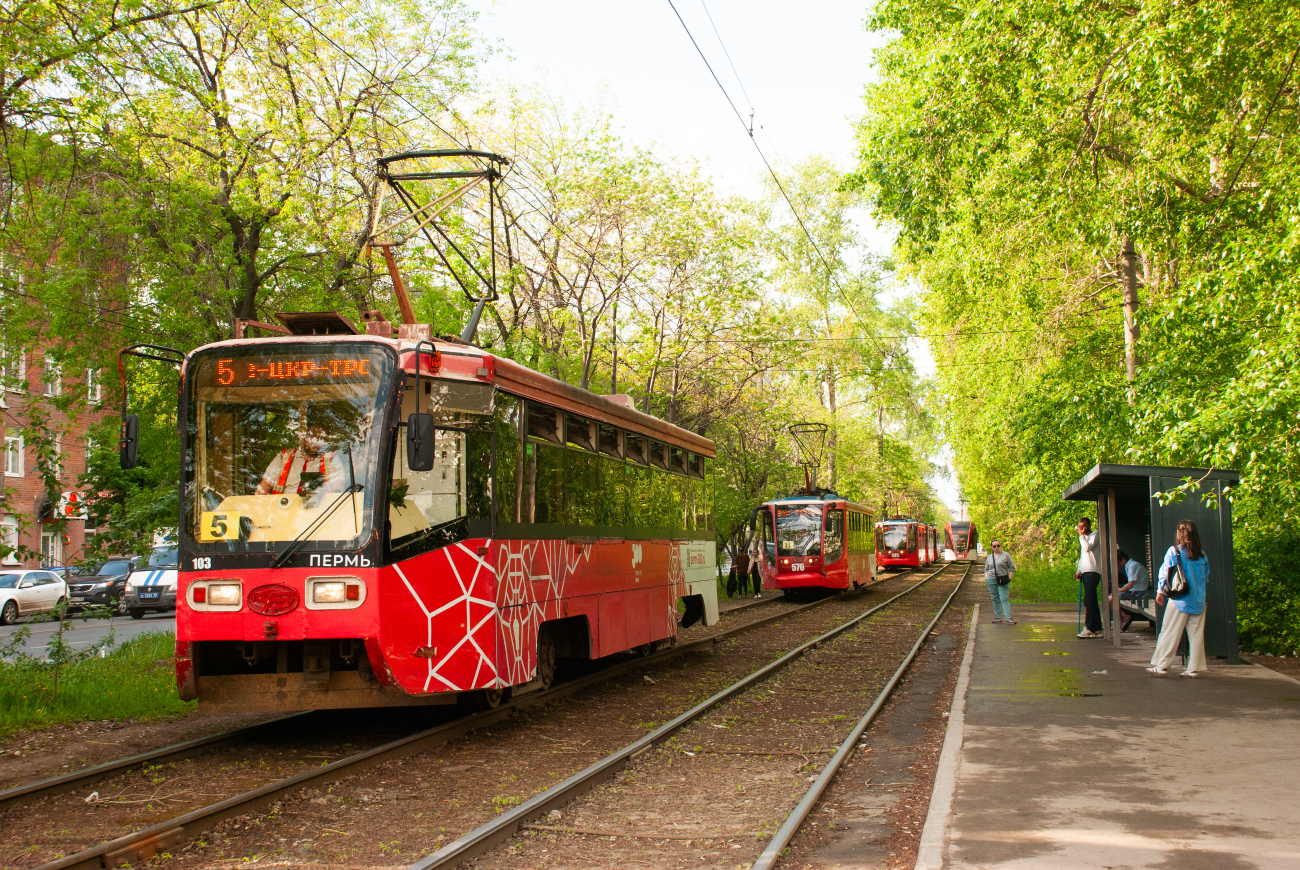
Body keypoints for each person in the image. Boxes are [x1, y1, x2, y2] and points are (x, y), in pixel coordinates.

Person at [1148, 520, 1210, 677]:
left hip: (1180, 599)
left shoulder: (1175, 551)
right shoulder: (1202, 555)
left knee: (1169, 630)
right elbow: (1206, 576)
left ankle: (1162, 665)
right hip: (1199, 599)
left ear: (1179, 534)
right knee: (1196, 635)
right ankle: (1193, 669)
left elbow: (1165, 572)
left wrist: (1160, 592)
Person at [256, 423, 348, 497]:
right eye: (312, 437)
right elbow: (265, 485)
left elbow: (338, 487)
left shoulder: (331, 458)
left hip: (319, 513)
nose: (315, 442)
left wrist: (337, 494)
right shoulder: (284, 456)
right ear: (305, 437)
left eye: (320, 439)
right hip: (283, 510)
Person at [1074, 517, 1103, 638]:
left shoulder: (1094, 535)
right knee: (1092, 600)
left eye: (1084, 526)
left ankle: (1090, 627)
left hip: (1093, 570)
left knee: (1088, 600)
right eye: (1080, 526)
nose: (1082, 529)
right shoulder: (1083, 539)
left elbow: (1087, 548)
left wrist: (1081, 536)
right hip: (1085, 571)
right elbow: (1082, 556)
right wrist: (1079, 570)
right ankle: (1096, 627)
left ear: (1089, 525)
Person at [1112, 550, 1150, 631]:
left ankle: (1123, 618)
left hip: (1138, 592)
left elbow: (1130, 585)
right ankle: (1123, 616)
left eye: (1119, 563)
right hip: (1135, 590)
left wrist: (1117, 590)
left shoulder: (1132, 566)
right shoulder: (1130, 565)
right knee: (1111, 597)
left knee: (1113, 597)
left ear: (1122, 559)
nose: (1119, 565)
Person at [983, 540, 1016, 624]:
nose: (997, 547)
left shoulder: (1006, 555)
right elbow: (986, 569)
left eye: (998, 545)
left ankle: (1008, 617)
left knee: (1004, 598)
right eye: (994, 546)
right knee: (995, 598)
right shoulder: (989, 557)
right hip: (991, 580)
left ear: (1000, 546)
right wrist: (987, 578)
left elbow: (1012, 568)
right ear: (992, 547)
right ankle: (998, 617)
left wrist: (1009, 578)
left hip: (1003, 579)